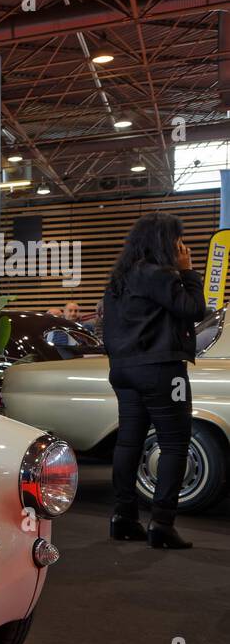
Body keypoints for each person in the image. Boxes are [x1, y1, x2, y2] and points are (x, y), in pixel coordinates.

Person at [102, 211, 205, 549]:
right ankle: (162, 523)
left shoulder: (119, 279)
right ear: (164, 241)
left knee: (128, 442)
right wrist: (188, 273)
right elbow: (193, 310)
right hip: (161, 368)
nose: (182, 246)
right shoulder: (159, 275)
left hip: (123, 370)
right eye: (177, 239)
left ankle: (123, 518)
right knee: (175, 444)